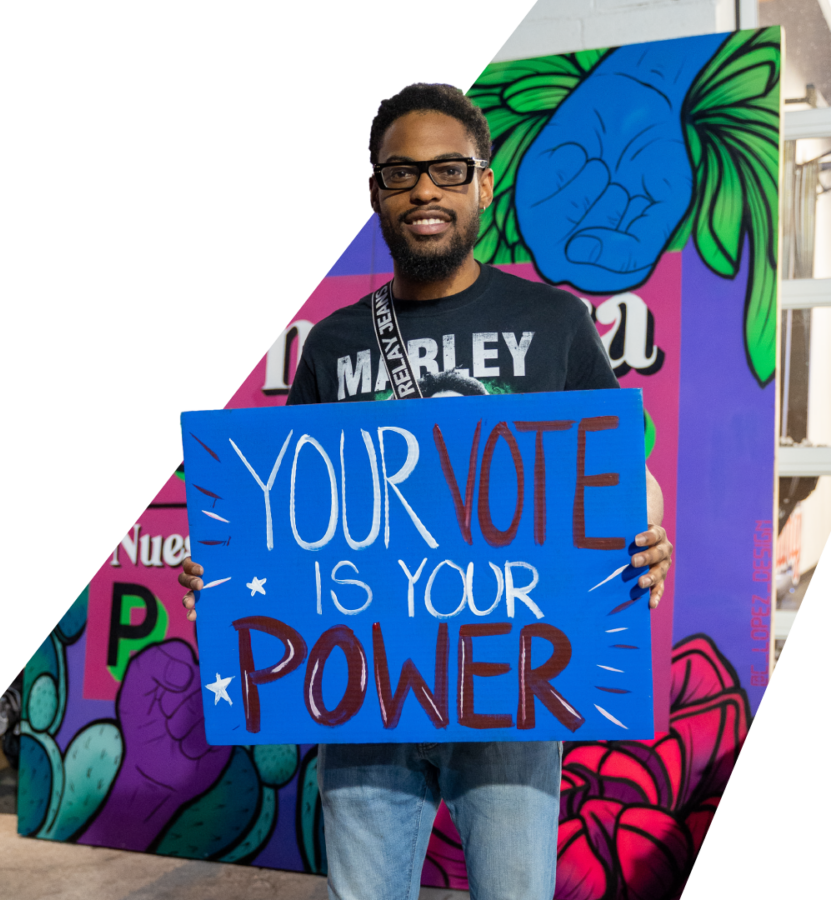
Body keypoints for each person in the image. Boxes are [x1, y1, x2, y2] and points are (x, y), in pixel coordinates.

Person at [180, 82, 674, 900]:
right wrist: (225, 572)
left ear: (483, 184)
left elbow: (620, 478)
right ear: (375, 193)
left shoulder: (554, 323)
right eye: (401, 173)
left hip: (512, 689)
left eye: (448, 170)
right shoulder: (334, 344)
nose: (424, 191)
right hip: (364, 696)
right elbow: (285, 514)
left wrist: (646, 539)